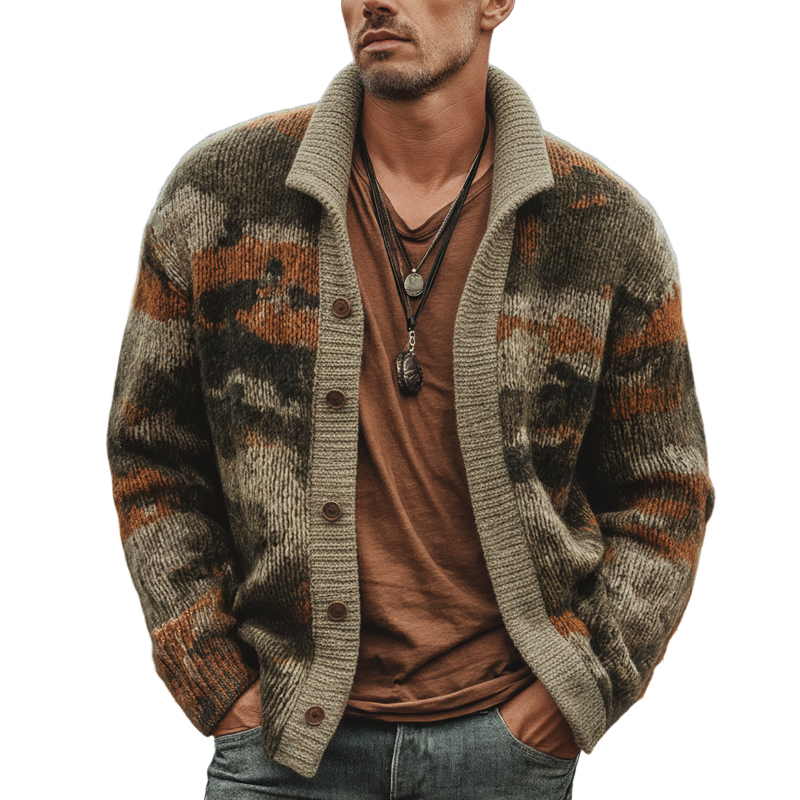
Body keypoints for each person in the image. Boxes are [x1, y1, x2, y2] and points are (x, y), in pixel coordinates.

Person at [107, 0, 714, 797]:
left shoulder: (601, 227)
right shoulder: (221, 198)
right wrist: (218, 683)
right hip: (282, 747)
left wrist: (575, 694)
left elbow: (664, 494)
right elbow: (153, 453)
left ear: (496, 4)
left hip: (503, 751)